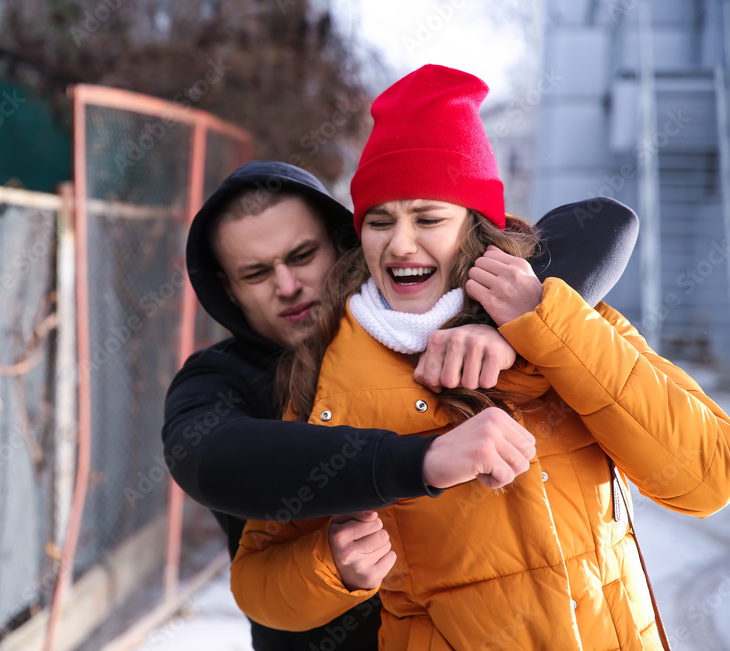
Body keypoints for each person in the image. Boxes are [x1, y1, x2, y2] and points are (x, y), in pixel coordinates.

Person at [227, 64, 730, 650]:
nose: (401, 244)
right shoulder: (329, 376)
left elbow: (707, 479)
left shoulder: (566, 318)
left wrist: (542, 326)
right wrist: (328, 566)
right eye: (380, 220)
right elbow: (256, 578)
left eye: (429, 218)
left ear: (474, 228)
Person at [164, 155, 638, 648]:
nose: (287, 286)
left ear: (342, 243)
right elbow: (209, 458)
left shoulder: (417, 324)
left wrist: (507, 328)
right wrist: (417, 463)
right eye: (257, 273)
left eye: (302, 256)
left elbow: (601, 222)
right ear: (228, 290)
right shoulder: (220, 376)